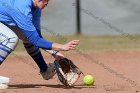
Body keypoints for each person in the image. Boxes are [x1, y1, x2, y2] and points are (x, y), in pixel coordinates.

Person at [0, 0, 79, 86]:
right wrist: (62, 47)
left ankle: (45, 70)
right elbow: (36, 40)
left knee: (27, 37)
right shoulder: (22, 7)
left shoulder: (36, 9)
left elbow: (36, 36)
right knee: (11, 38)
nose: (47, 3)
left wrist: (54, 52)